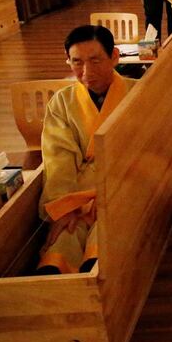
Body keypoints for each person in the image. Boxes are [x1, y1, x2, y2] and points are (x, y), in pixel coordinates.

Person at [35, 26, 139, 275]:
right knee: (67, 230)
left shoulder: (138, 93)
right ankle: (53, 274)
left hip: (123, 180)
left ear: (114, 56)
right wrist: (63, 206)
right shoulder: (62, 102)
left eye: (95, 60)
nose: (86, 72)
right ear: (68, 61)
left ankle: (97, 268)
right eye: (77, 62)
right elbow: (58, 156)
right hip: (79, 187)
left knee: (105, 228)